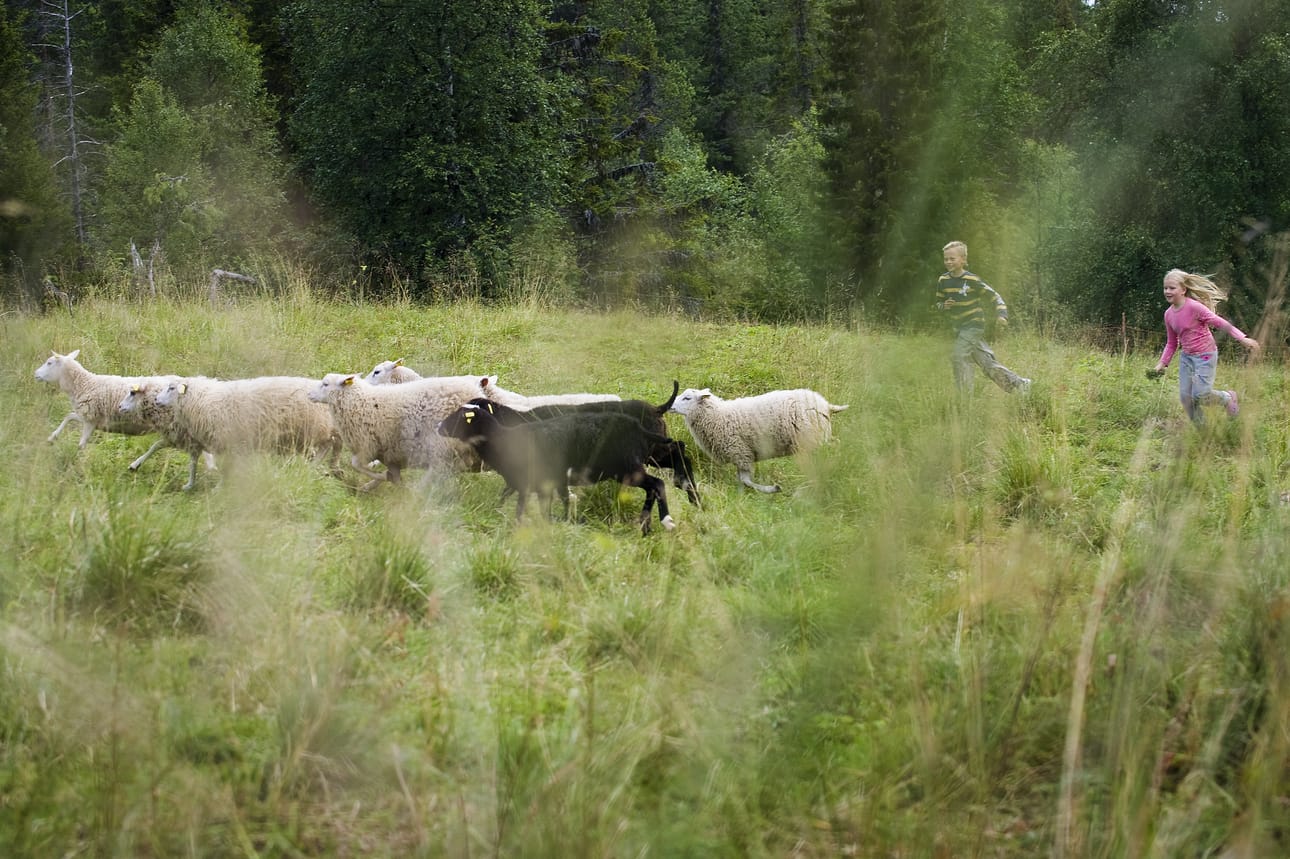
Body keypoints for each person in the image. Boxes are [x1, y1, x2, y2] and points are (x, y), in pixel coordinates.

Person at [1149, 268, 1258, 424]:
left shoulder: (1194, 307)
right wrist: (1162, 363)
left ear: (1183, 289)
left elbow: (1219, 322)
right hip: (1187, 357)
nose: (1167, 291)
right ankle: (1203, 432)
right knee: (1186, 398)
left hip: (1205, 355)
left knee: (1200, 394)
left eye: (1172, 288)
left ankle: (1227, 398)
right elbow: (1172, 343)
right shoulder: (1168, 314)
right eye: (1165, 288)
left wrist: (1242, 338)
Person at [934, 241, 1031, 395]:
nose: (948, 262)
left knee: (958, 356)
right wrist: (944, 305)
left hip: (973, 326)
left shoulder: (972, 280)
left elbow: (994, 296)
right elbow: (938, 303)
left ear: (963, 260)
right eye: (946, 259)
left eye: (952, 259)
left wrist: (1002, 315)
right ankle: (1020, 385)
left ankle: (965, 399)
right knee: (987, 364)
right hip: (959, 329)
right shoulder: (943, 280)